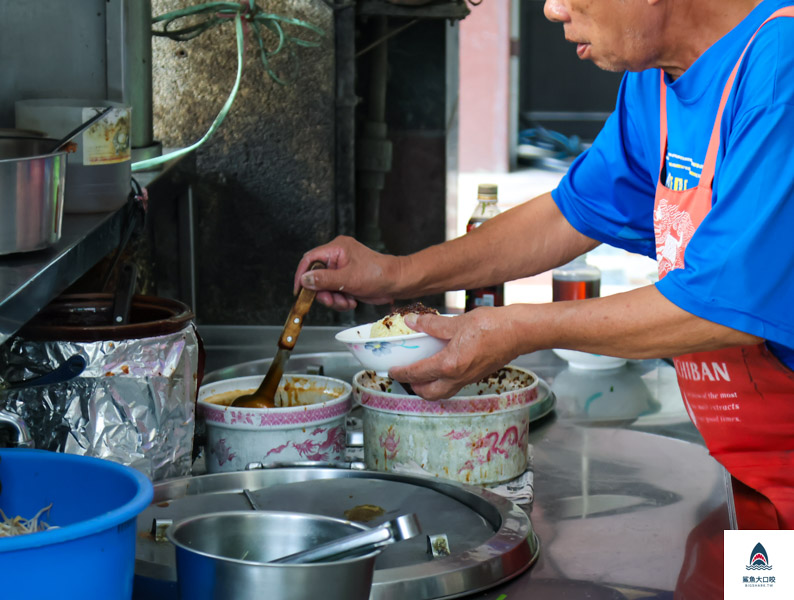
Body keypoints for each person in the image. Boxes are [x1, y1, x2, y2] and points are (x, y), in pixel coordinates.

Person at [295, 0, 794, 529]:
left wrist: (515, 329)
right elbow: (568, 214)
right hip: (746, 472)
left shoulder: (779, 67)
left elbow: (717, 307)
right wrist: (397, 274)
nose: (553, 10)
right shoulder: (656, 81)